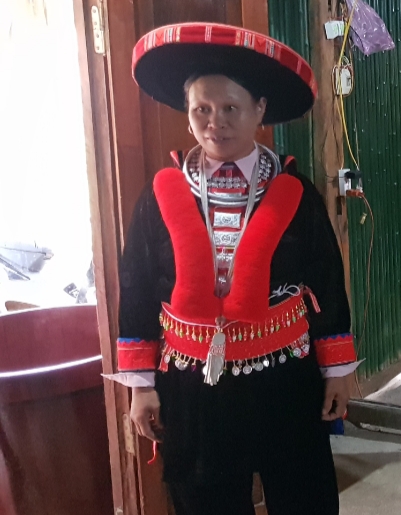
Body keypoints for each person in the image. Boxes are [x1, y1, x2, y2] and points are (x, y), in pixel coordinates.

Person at [106, 23, 356, 515]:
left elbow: (326, 281)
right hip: (193, 387)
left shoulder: (297, 193)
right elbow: (136, 288)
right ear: (187, 113)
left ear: (259, 110)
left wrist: (336, 374)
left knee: (304, 499)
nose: (214, 123)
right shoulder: (159, 198)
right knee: (204, 502)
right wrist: (140, 386)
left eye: (230, 109)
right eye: (201, 109)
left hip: (284, 380)